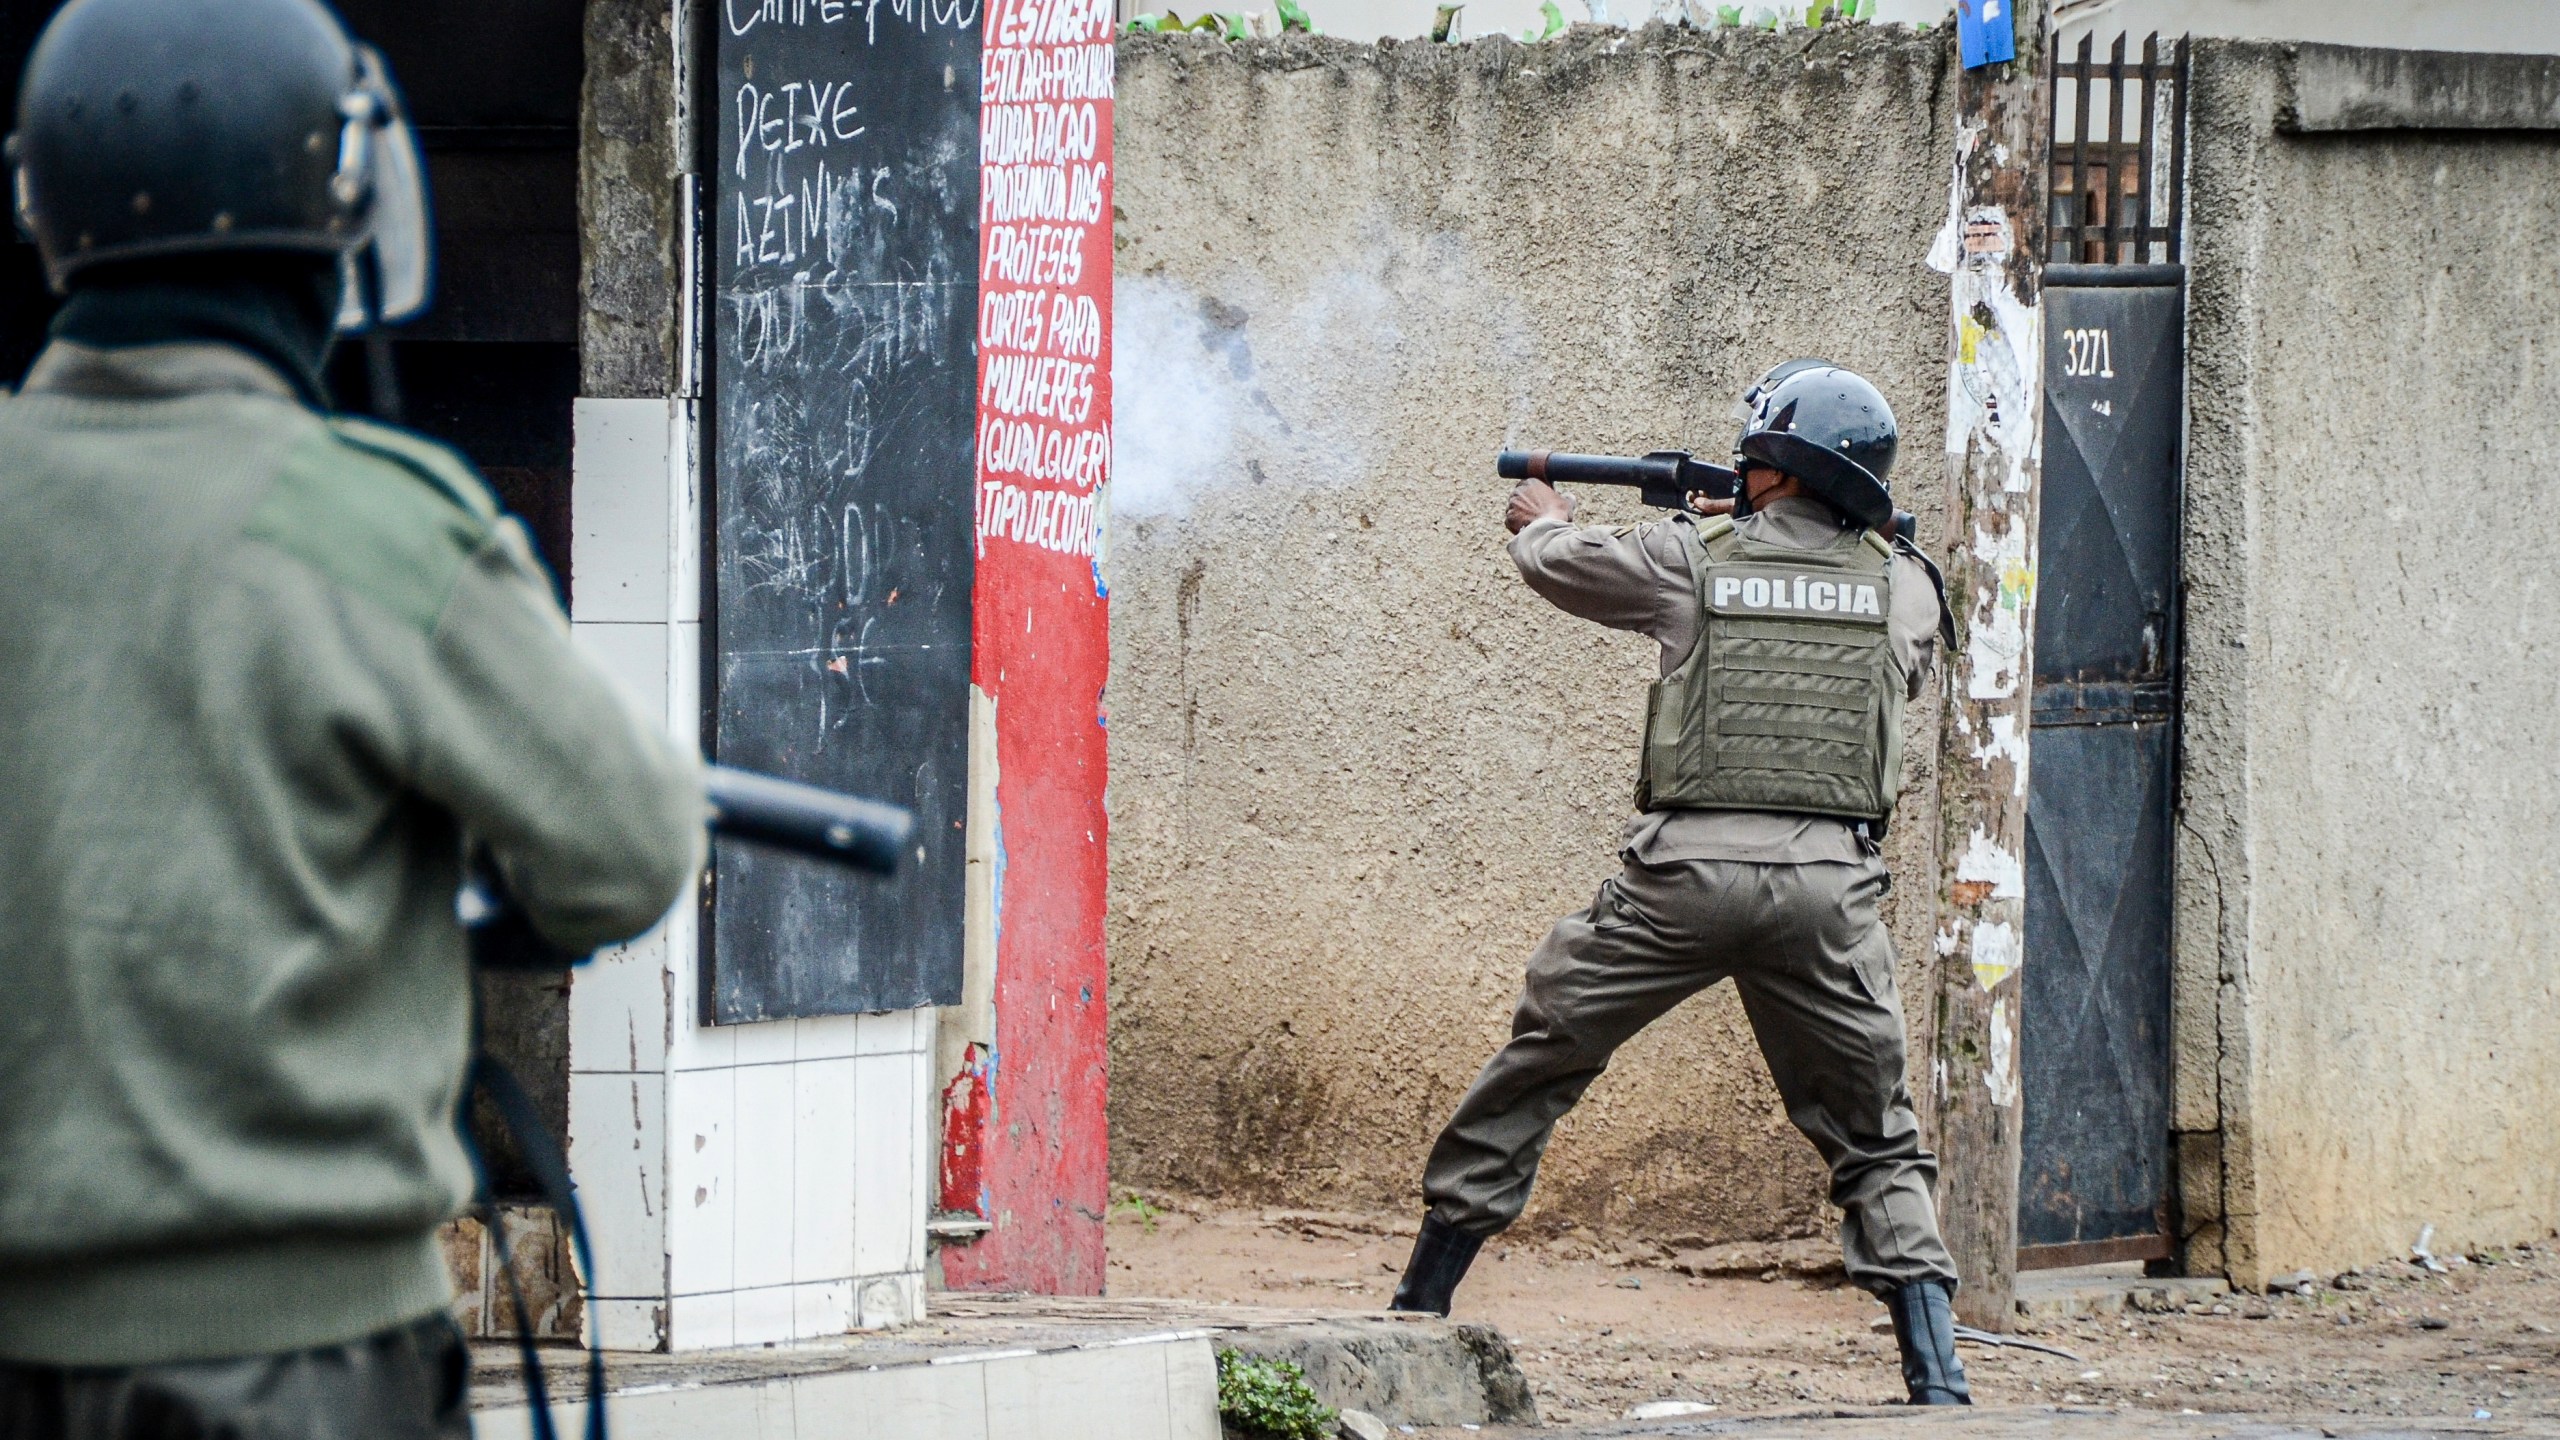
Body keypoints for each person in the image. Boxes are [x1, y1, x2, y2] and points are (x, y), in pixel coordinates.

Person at [0, 0, 704, 1434]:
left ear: (47, 206)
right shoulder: (381, 527)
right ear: (345, 207)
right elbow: (626, 853)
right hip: (302, 1370)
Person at [1388, 363, 1972, 1406]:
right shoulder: (1906, 583)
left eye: (1756, 457)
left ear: (1778, 468)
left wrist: (1539, 516)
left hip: (1679, 883)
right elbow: (1886, 649)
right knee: (1874, 1131)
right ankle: (1937, 1379)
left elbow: (1562, 565)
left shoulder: (1685, 558)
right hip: (1828, 890)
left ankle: (1417, 1310)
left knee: (1543, 1055)